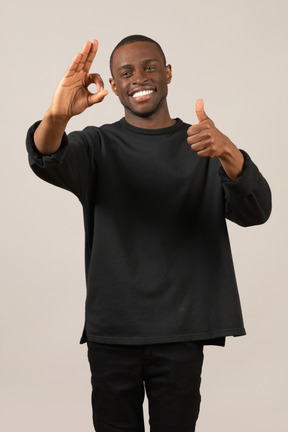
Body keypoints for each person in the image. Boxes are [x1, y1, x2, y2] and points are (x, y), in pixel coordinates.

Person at [26, 35, 272, 432]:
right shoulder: (97, 145)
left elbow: (257, 211)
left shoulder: (204, 144)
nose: (138, 78)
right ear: (113, 83)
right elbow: (45, 157)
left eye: (149, 67)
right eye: (126, 72)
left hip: (181, 331)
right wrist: (57, 116)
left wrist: (230, 153)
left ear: (168, 73)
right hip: (113, 332)